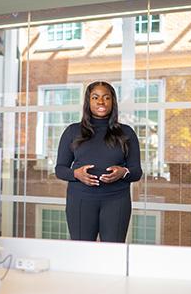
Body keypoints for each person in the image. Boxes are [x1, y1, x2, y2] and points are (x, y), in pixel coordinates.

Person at [55, 81, 142, 242]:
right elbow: (60, 169)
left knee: (113, 252)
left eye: (106, 97)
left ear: (112, 102)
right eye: (95, 97)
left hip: (117, 201)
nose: (101, 102)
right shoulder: (72, 131)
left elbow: (136, 172)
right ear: (88, 102)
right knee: (82, 253)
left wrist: (123, 173)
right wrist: (76, 174)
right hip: (80, 201)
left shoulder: (126, 133)